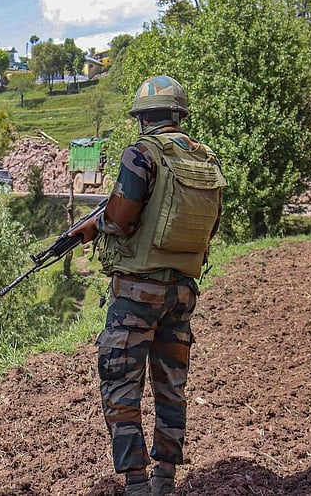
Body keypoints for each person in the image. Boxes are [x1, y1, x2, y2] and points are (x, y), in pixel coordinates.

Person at [71, 75, 225, 496]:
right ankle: (165, 481)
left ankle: (136, 484)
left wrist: (92, 226)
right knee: (171, 386)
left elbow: (119, 220)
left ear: (142, 119)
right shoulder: (206, 158)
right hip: (182, 292)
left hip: (138, 293)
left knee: (120, 382)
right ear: (179, 115)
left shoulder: (142, 154)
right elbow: (211, 226)